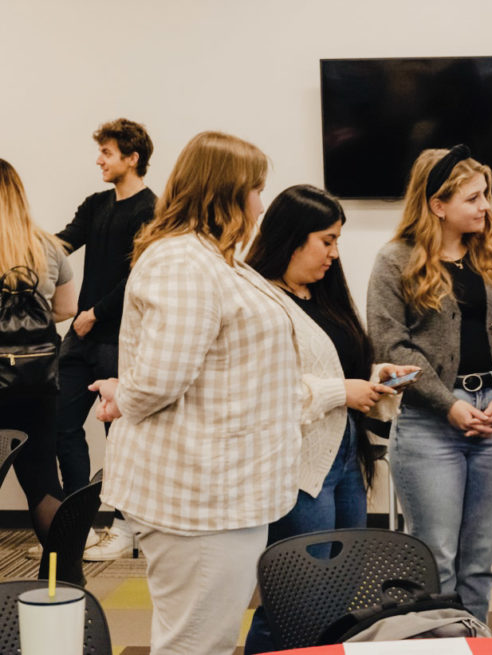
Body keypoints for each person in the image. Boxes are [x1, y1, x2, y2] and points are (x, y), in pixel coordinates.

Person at [89, 131, 305, 655]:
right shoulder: (184, 261)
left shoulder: (212, 258)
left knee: (202, 639)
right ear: (224, 193)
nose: (260, 204)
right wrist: (126, 392)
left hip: (223, 491)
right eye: (255, 190)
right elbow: (161, 378)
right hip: (200, 497)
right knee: (195, 645)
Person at [243, 184, 417, 654]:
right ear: (292, 237)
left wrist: (375, 377)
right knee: (297, 598)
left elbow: (339, 369)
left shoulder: (322, 295)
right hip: (299, 468)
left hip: (342, 457)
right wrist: (343, 391)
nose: (335, 254)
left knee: (340, 589)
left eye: (337, 240)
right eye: (327, 240)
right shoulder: (258, 298)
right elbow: (265, 391)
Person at [367, 145, 492, 623]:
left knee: (479, 561)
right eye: (473, 198)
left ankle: (474, 642)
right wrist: (449, 405)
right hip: (429, 424)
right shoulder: (394, 261)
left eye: (486, 195)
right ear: (437, 205)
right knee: (436, 558)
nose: (485, 206)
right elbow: (391, 346)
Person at [55, 118, 156, 561]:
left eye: (108, 153)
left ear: (132, 159)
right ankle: (82, 521)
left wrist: (95, 312)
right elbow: (61, 244)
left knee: (124, 436)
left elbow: (141, 275)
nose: (99, 160)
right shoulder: (96, 204)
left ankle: (126, 525)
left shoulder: (153, 210)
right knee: (60, 425)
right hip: (81, 337)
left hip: (121, 340)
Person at [0, 158, 77, 547]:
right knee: (43, 479)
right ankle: (64, 573)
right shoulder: (47, 244)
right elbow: (66, 308)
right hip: (37, 383)